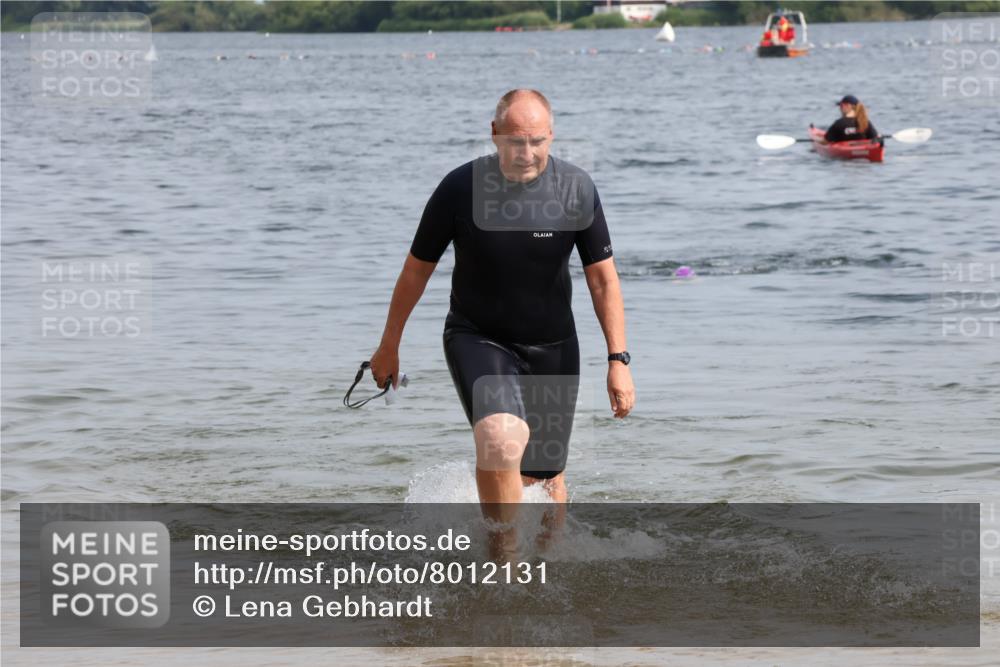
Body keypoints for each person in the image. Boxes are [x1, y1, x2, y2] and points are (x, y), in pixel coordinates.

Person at [368, 89, 635, 557]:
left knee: (544, 478)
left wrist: (618, 359)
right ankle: (504, 559)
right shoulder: (459, 189)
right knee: (499, 439)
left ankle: (546, 565)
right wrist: (388, 345)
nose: (526, 153)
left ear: (552, 136)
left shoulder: (576, 189)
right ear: (494, 135)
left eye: (536, 141)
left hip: (553, 344)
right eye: (515, 140)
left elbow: (603, 282)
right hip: (478, 336)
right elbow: (416, 270)